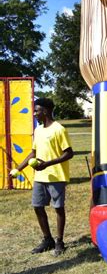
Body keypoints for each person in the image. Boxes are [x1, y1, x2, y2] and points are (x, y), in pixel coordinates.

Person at [9, 98, 74, 256]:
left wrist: (48, 163)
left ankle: (59, 242)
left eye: (37, 111)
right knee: (37, 206)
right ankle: (48, 240)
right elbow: (33, 153)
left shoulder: (59, 129)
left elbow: (69, 153)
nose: (35, 114)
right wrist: (18, 169)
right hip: (40, 176)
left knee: (58, 208)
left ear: (45, 111)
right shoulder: (38, 130)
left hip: (56, 176)